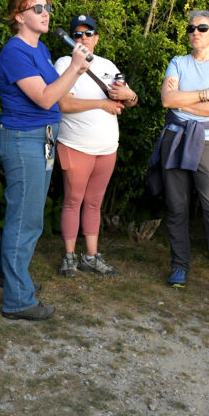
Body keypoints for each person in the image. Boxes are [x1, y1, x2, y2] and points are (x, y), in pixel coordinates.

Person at [0, 0, 91, 320]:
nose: (45, 12)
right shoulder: (15, 52)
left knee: (24, 214)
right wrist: (74, 65)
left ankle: (8, 278)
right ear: (18, 17)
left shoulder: (41, 49)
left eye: (47, 6)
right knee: (27, 219)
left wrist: (77, 69)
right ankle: (18, 300)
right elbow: (46, 98)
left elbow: (60, 94)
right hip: (24, 140)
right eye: (37, 8)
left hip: (42, 139)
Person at [154, 10, 209, 303]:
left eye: (202, 28)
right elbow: (168, 100)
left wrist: (184, 101)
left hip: (207, 143)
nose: (195, 32)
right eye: (191, 28)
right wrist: (206, 95)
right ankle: (179, 265)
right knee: (176, 207)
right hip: (175, 139)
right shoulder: (178, 62)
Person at [52, 14, 137, 278]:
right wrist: (102, 104)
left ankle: (91, 255)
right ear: (71, 39)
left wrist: (129, 96)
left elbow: (128, 99)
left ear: (97, 37)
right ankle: (69, 257)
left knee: (94, 203)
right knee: (73, 200)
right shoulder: (65, 63)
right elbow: (64, 104)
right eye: (77, 34)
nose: (83, 38)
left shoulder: (108, 64)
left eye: (88, 33)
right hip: (75, 145)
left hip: (107, 148)